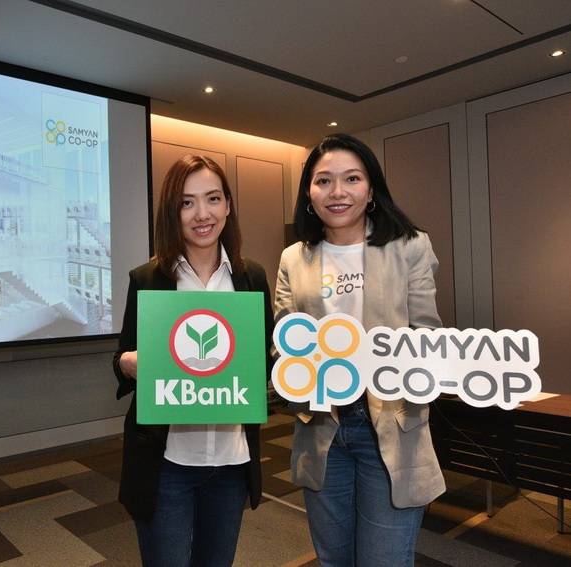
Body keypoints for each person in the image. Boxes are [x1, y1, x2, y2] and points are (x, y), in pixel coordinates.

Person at [274, 133, 445, 567]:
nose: (337, 191)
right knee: (333, 559)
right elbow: (285, 344)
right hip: (322, 427)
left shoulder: (409, 246)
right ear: (309, 194)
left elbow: (427, 336)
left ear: (371, 190)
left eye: (352, 178)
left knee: (383, 560)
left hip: (390, 423)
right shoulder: (294, 258)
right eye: (323, 181)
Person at [113, 154, 275, 566]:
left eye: (213, 198)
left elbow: (262, 362)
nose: (202, 214)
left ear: (228, 205)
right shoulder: (148, 280)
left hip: (231, 462)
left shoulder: (251, 278)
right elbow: (122, 358)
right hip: (167, 463)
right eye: (187, 202)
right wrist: (127, 363)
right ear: (173, 212)